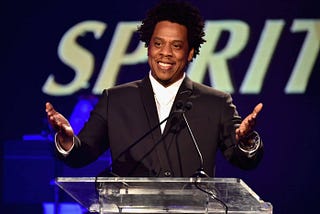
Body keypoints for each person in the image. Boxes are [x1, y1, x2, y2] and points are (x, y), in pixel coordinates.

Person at [46, 0, 263, 177]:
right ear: (148, 47)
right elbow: (83, 154)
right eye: (158, 44)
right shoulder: (116, 99)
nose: (165, 53)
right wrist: (67, 142)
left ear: (190, 53)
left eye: (176, 46)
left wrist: (247, 141)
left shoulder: (215, 103)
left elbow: (241, 157)